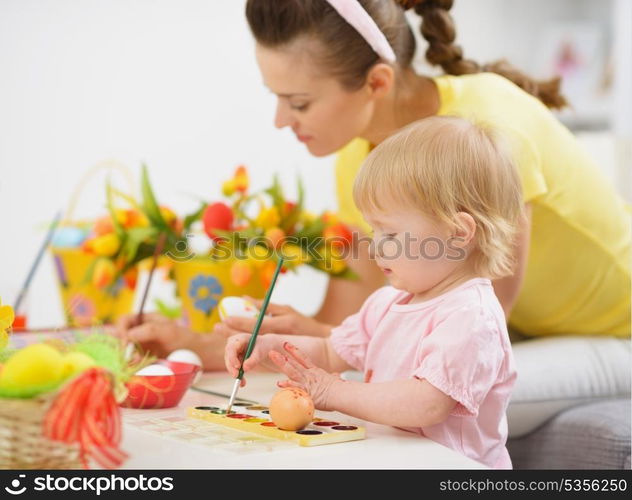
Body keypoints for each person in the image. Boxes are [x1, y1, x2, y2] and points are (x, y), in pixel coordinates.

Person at [116, 0, 631, 368]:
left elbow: (476, 332)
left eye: (298, 103)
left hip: (611, 331)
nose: (280, 120)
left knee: (439, 395)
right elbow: (346, 318)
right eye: (277, 98)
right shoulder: (360, 157)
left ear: (377, 83)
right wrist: (204, 344)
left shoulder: (486, 131)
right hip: (525, 331)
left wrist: (328, 347)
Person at [225, 116, 522, 469]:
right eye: (373, 230)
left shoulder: (471, 317)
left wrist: (334, 393)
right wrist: (271, 347)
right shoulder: (387, 303)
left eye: (391, 235)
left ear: (458, 233)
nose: (375, 247)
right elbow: (329, 352)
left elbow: (426, 403)